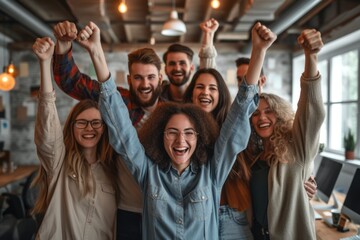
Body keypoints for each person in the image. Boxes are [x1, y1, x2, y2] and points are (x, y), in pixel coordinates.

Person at [94, 22, 274, 239]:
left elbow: (239, 114)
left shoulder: (212, 173)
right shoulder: (148, 173)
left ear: (199, 138)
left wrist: (259, 51)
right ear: (160, 136)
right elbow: (121, 128)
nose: (181, 140)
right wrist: (95, 50)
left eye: (189, 133)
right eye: (172, 132)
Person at [52, 20, 164, 239]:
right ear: (130, 80)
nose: (145, 84)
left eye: (151, 77)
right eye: (138, 78)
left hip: (161, 210)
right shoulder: (116, 99)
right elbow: (71, 81)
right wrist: (64, 47)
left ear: (160, 78)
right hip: (125, 209)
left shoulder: (172, 113)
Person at [32, 37, 120, 239]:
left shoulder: (114, 170)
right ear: (71, 127)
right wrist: (45, 63)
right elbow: (47, 129)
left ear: (104, 127)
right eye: (81, 122)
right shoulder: (59, 163)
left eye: (96, 122)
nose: (89, 128)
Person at [245, 29, 325, 240]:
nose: (261, 118)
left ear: (279, 114)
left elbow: (311, 110)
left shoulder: (296, 149)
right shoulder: (254, 155)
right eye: (255, 114)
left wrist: (311, 56)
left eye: (269, 111)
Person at [161, 18, 219, 102]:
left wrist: (208, 34)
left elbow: (208, 72)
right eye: (172, 63)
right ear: (165, 69)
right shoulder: (157, 96)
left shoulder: (198, 96)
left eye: (182, 63)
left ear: (191, 68)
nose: (177, 68)